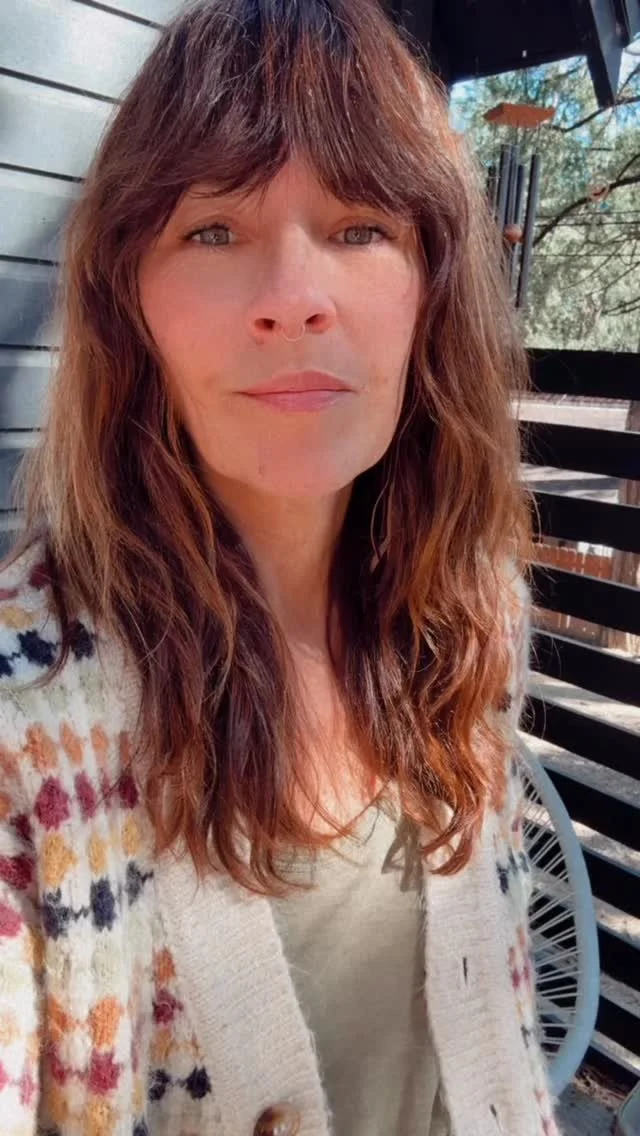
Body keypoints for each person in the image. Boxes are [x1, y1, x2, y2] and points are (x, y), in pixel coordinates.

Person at [0, 0, 560, 1133]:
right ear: (128, 302)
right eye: (213, 230)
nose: (295, 297)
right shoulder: (25, 718)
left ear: (431, 290)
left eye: (359, 227)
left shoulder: (474, 619)